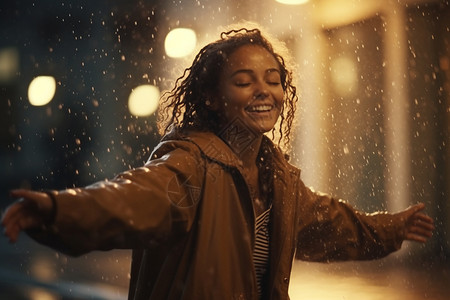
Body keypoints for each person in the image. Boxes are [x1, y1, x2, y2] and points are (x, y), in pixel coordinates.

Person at [1, 26, 435, 300]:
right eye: (244, 81)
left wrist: (392, 228)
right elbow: (129, 199)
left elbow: (332, 225)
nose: (264, 91)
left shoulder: (278, 178)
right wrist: (59, 210)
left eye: (274, 79)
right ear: (211, 97)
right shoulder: (189, 165)